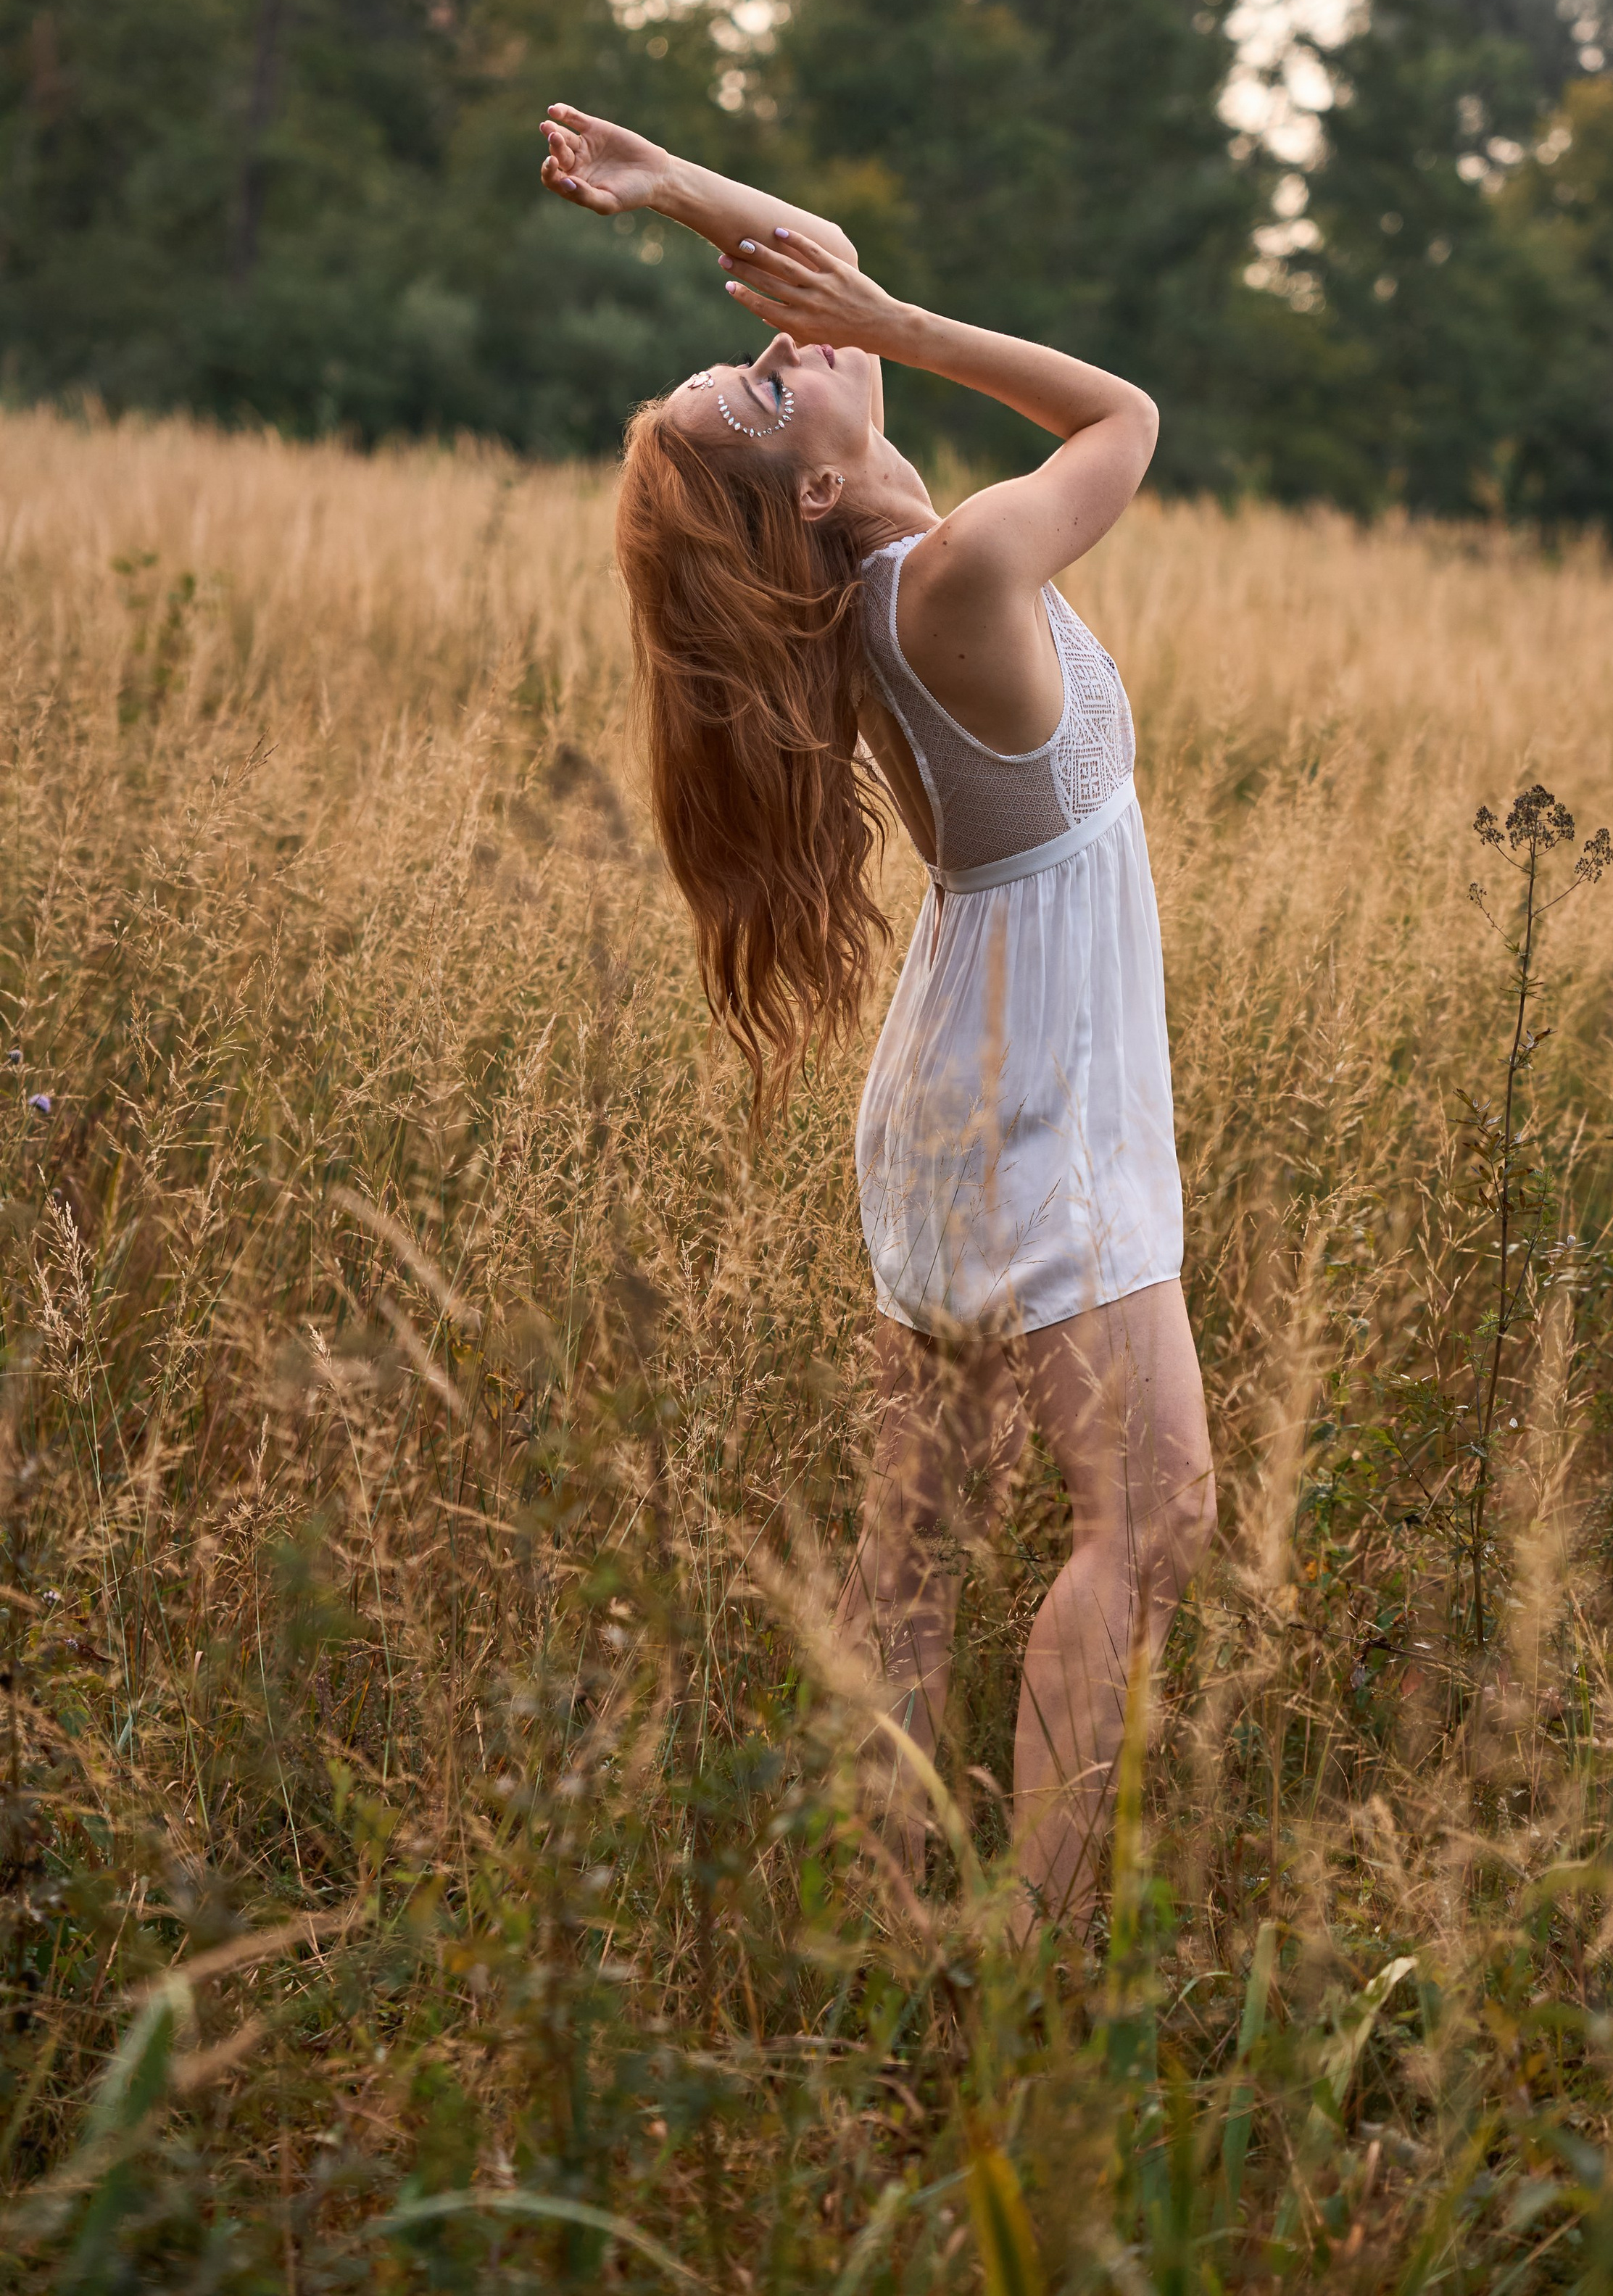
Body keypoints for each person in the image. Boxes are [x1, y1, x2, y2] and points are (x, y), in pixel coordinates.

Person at [539, 104, 1216, 1934]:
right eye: (765, 395)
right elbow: (1124, 417)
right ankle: (1025, 1944)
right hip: (1038, 1093)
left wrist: (681, 194)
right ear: (815, 493)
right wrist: (901, 325)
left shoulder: (863, 593)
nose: (786, 347)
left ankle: (873, 1916)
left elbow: (807, 294)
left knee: (910, 1552)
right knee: (1147, 1523)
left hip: (956, 1082)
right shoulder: (964, 579)